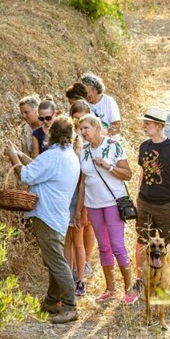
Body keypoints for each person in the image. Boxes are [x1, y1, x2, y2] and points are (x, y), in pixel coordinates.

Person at [6, 117, 81, 324]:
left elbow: (27, 176)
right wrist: (22, 156)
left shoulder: (53, 156)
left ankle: (69, 306)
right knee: (54, 259)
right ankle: (51, 301)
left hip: (46, 214)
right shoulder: (68, 156)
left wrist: (14, 157)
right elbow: (42, 169)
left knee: (56, 262)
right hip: (58, 214)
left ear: (52, 134)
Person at [78, 114, 137, 304]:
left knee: (117, 246)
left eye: (86, 127)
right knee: (103, 247)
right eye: (81, 129)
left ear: (96, 127)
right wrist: (80, 209)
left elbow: (127, 174)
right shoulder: (84, 151)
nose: (83, 132)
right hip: (92, 204)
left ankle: (130, 289)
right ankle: (110, 288)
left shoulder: (112, 145)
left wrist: (108, 166)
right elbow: (82, 182)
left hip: (112, 202)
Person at [133, 107, 170, 292]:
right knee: (141, 240)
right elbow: (142, 175)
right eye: (144, 123)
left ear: (159, 125)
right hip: (145, 203)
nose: (144, 127)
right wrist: (137, 198)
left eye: (147, 124)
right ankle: (140, 280)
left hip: (167, 204)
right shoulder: (144, 146)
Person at [66, 101, 92, 296]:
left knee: (79, 239)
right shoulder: (69, 141)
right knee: (67, 240)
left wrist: (81, 208)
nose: (79, 128)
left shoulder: (89, 146)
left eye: (82, 123)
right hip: (66, 194)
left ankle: (81, 278)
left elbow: (84, 178)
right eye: (76, 123)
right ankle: (68, 277)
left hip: (80, 195)